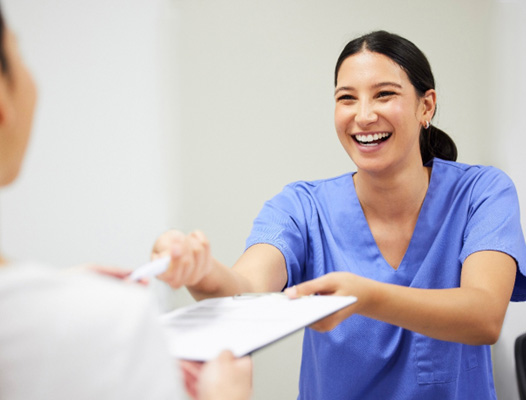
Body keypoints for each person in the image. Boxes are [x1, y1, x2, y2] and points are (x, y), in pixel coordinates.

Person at [151, 30, 526, 399]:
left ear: (425, 106)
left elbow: (484, 315)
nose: (363, 116)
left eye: (384, 94)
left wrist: (364, 297)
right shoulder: (302, 207)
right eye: (347, 98)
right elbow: (246, 290)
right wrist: (201, 271)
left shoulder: (482, 193)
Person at [0, 4, 252, 400]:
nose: (364, 115)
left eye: (385, 94)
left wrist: (58, 290)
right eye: (19, 53)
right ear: (3, 105)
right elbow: (255, 291)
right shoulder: (113, 324)